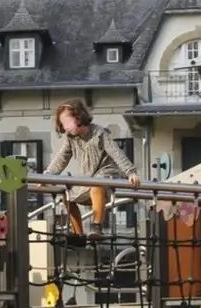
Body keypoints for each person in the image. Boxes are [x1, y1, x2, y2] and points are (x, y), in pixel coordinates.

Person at [43, 98, 140, 237]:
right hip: (87, 178)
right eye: (62, 125)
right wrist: (47, 176)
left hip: (105, 175)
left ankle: (97, 226)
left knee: (97, 185)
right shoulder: (71, 139)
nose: (65, 128)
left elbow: (116, 153)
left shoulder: (99, 133)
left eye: (66, 123)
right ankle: (79, 234)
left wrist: (131, 172)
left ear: (78, 117)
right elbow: (61, 158)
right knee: (67, 196)